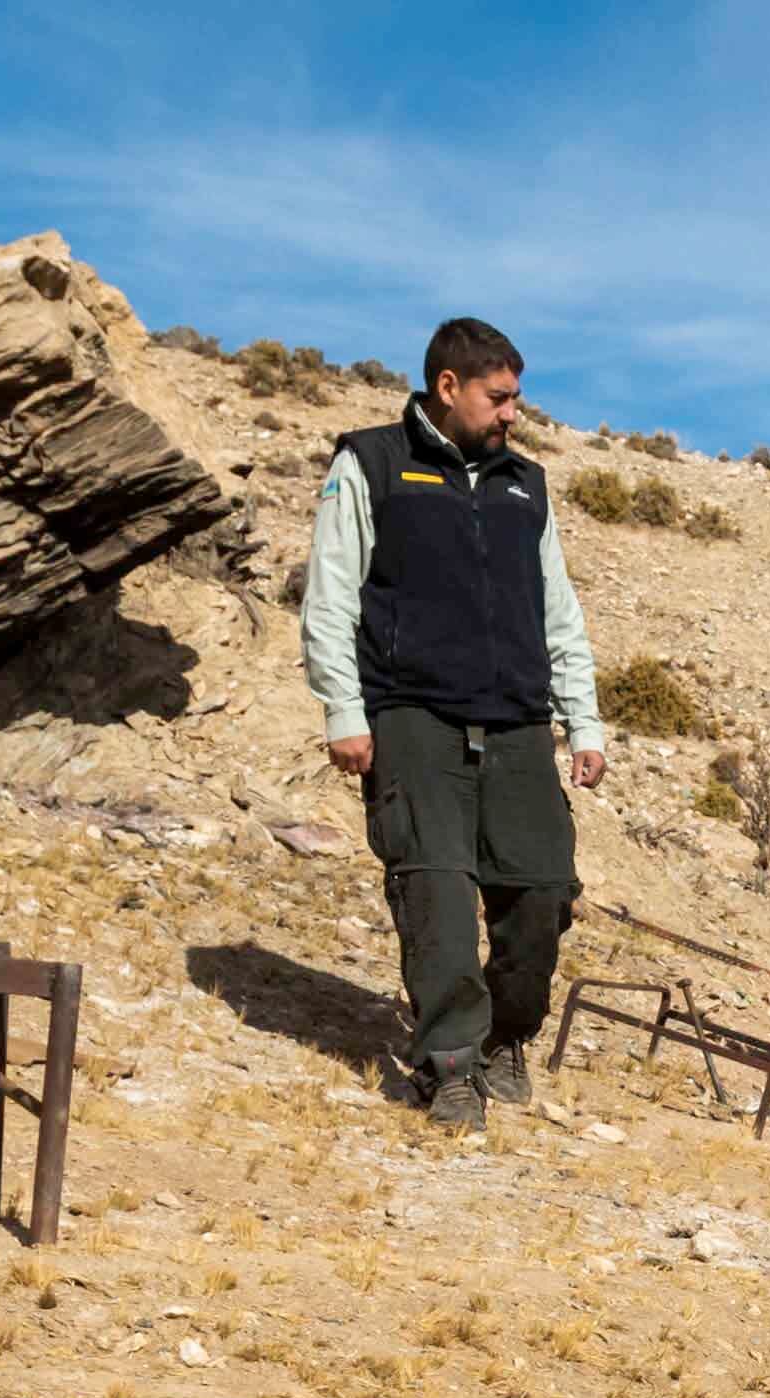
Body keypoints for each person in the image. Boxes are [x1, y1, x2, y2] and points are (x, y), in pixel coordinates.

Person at [301, 317, 609, 1131]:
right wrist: (344, 710)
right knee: (435, 893)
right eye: (499, 397)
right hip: (411, 716)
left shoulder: (524, 483)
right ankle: (449, 1066)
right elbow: (330, 596)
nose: (514, 414)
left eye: (517, 399)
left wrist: (584, 723)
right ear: (448, 388)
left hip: (516, 721)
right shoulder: (369, 463)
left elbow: (559, 609)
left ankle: (508, 1037)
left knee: (542, 893)